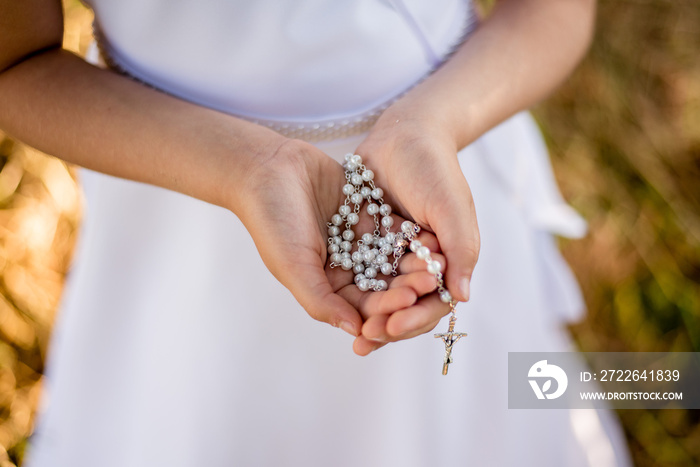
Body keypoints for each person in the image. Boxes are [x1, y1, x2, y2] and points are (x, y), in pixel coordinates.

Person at [0, 0, 632, 465]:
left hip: (440, 154)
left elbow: (554, 11)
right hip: (176, 178)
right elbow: (15, 63)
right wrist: (245, 167)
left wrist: (432, 124)